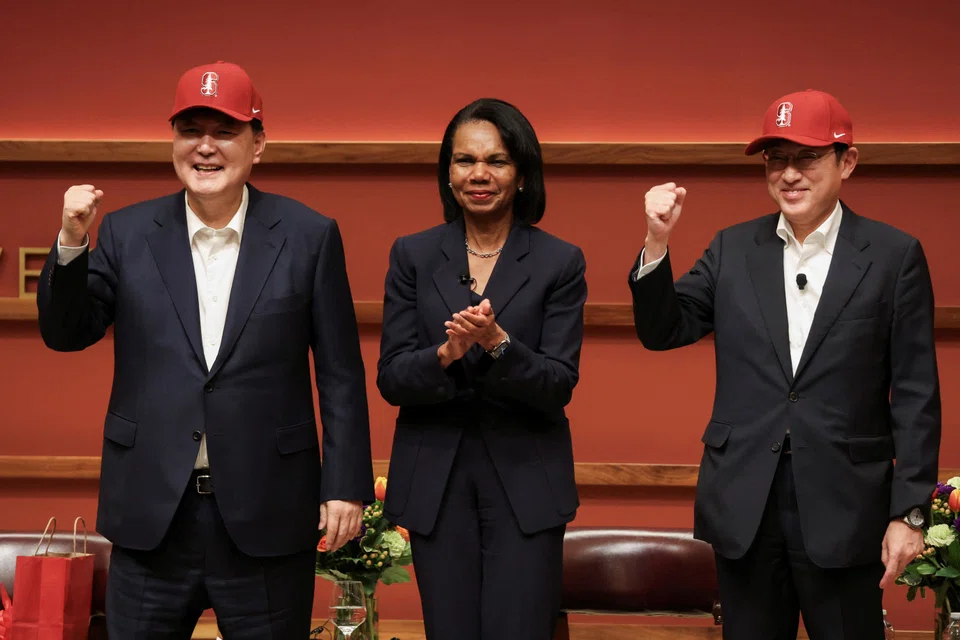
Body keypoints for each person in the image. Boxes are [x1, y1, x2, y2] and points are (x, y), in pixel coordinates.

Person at [37, 61, 374, 639]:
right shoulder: (125, 233)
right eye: (191, 130)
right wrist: (72, 243)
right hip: (152, 516)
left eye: (225, 131)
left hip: (267, 512)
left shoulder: (308, 236)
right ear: (173, 141)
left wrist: (345, 484)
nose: (206, 147)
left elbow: (340, 371)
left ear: (258, 143)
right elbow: (67, 333)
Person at [628, 89, 941, 639]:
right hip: (746, 502)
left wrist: (909, 513)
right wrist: (658, 240)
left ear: (847, 162)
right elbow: (663, 331)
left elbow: (916, 395)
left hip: (847, 506)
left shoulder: (894, 257)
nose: (789, 174)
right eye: (777, 159)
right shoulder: (732, 249)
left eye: (807, 157)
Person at [377, 98, 586, 639]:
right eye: (464, 160)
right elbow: (392, 377)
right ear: (448, 173)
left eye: (496, 161)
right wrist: (445, 355)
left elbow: (558, 383)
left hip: (525, 483)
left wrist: (496, 343)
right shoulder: (413, 255)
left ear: (521, 175)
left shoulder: (559, 262)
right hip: (437, 483)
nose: (479, 174)